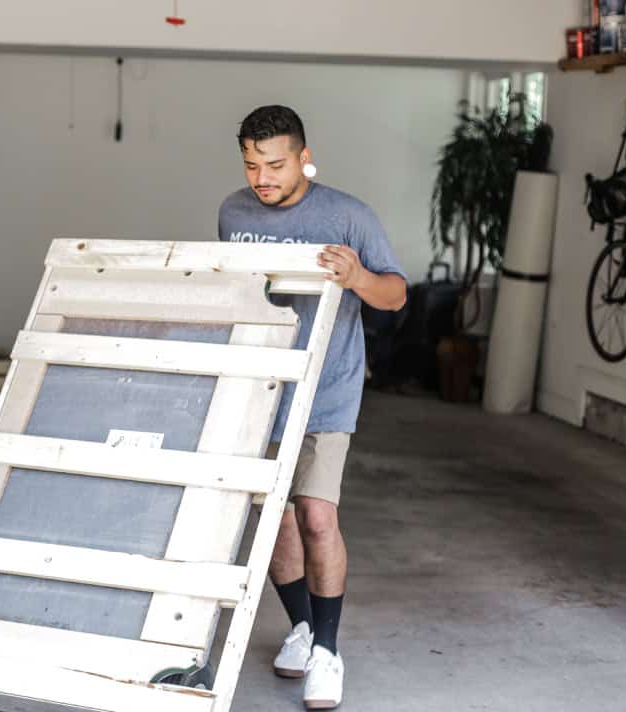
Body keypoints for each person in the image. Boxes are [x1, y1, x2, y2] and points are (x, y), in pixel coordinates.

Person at [218, 105, 407, 710]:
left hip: (327, 390)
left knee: (316, 518)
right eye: (252, 165)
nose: (261, 178)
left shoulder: (348, 215)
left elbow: (396, 294)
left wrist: (356, 278)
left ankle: (327, 652)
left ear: (303, 156)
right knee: (271, 523)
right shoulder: (234, 212)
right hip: (258, 389)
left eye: (274, 164)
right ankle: (301, 629)